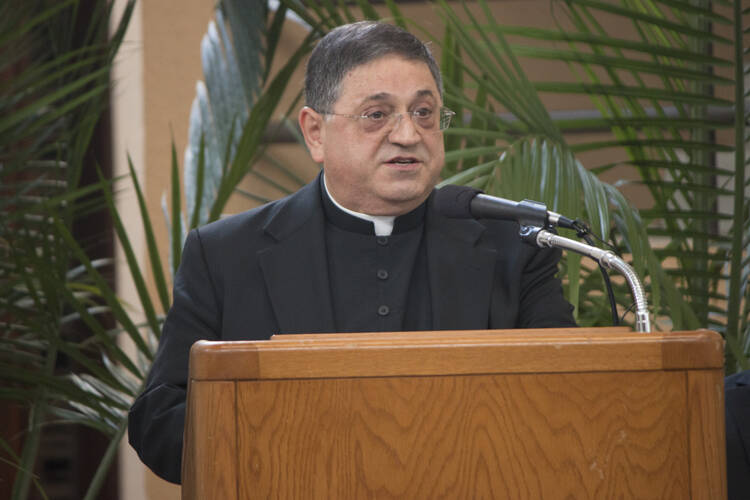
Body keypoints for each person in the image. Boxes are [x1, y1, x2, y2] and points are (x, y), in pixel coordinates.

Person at [128, 20, 576, 484]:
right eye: (377, 115)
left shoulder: (515, 248)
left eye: (424, 112)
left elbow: (567, 398)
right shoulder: (226, 255)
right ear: (315, 132)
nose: (408, 134)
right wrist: (281, 438)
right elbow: (158, 421)